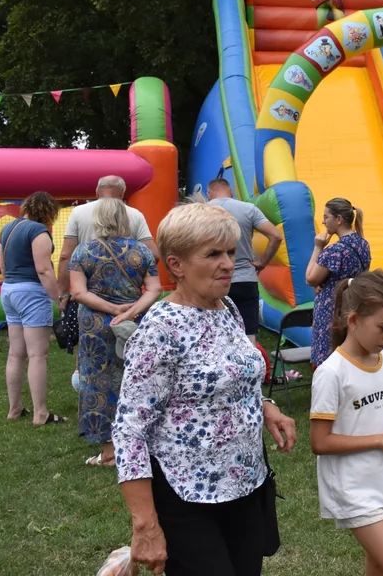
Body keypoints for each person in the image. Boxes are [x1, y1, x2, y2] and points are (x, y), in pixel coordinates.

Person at [113, 202, 298, 576]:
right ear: (177, 265)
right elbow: (129, 430)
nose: (229, 263)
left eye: (230, 252)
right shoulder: (161, 330)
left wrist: (264, 405)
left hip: (245, 484)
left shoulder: (225, 306)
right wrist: (146, 526)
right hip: (187, 496)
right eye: (213, 254)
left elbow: (227, 378)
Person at [310, 271, 383, 576]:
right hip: (353, 488)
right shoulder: (331, 373)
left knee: (379, 566)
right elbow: (320, 443)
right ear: (353, 321)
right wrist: (381, 439)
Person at [68, 198, 162, 467]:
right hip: (134, 322)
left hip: (96, 326)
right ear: (125, 219)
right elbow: (155, 289)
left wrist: (111, 309)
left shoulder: (83, 252)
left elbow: (78, 292)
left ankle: (109, 453)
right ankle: (143, 442)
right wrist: (130, 312)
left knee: (99, 381)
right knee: (138, 378)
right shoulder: (142, 252)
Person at [58, 176, 157, 346]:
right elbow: (154, 256)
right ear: (123, 193)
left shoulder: (81, 246)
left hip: (92, 308)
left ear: (97, 192)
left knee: (91, 360)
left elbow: (66, 256)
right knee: (131, 358)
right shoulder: (138, 229)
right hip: (132, 308)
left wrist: (63, 292)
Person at [0, 192, 68, 425]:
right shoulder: (38, 232)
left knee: (15, 353)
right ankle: (40, 413)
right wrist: (58, 298)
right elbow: (44, 270)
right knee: (38, 354)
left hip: (8, 290)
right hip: (30, 293)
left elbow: (2, 265)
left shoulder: (8, 229)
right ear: (48, 211)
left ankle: (14, 408)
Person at [206, 178, 284, 341]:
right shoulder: (248, 209)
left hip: (212, 280)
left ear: (209, 194)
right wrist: (262, 262)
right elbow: (276, 236)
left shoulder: (200, 212)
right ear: (231, 192)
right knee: (248, 336)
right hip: (245, 278)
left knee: (215, 337)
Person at [306, 198, 372, 368]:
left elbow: (310, 278)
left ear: (339, 219)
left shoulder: (335, 250)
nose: (323, 221)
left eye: (326, 216)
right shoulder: (363, 244)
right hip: (353, 305)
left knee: (326, 358)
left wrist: (318, 247)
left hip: (331, 310)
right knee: (348, 355)